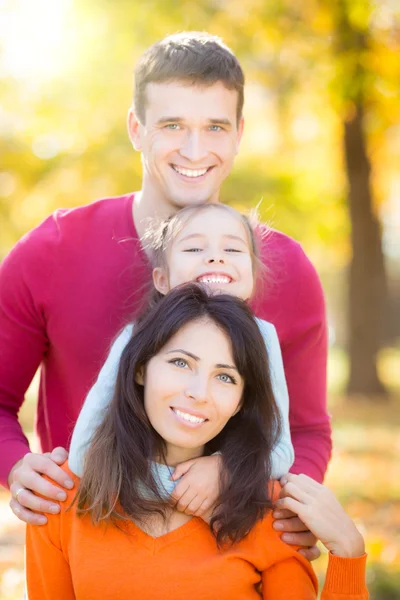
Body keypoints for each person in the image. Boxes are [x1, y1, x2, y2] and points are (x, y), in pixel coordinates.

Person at [1, 32, 331, 556]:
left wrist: (285, 497)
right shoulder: (49, 251)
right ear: (137, 128)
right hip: (83, 551)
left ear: (239, 134)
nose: (195, 150)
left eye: (215, 127)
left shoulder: (286, 268)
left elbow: (308, 430)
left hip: (231, 558)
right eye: (173, 125)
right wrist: (15, 466)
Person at [26, 285, 367, 600]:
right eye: (180, 362)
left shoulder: (270, 511)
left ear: (240, 402)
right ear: (141, 369)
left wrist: (349, 553)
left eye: (224, 377)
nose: (198, 393)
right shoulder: (59, 497)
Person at [69, 202, 295, 493]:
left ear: (251, 276)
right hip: (126, 503)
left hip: (230, 512)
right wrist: (176, 487)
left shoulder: (262, 338)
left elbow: (280, 451)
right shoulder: (136, 337)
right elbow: (83, 454)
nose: (215, 258)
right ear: (162, 279)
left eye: (232, 250)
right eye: (194, 249)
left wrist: (223, 471)